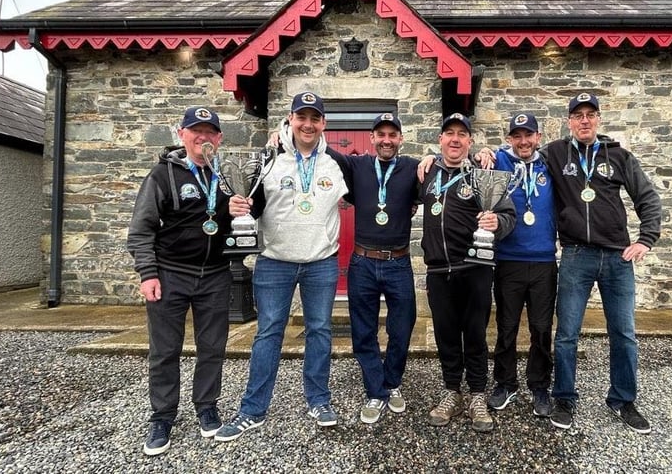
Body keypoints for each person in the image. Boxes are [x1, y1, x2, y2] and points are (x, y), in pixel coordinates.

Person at [214, 91, 348, 441]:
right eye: (301, 117)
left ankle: (319, 401)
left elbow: (368, 185)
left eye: (314, 118)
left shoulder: (336, 162)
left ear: (324, 124)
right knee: (268, 334)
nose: (308, 124)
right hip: (275, 262)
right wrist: (239, 209)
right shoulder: (267, 158)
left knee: (319, 331)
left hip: (321, 263)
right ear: (290, 119)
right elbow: (251, 205)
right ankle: (252, 410)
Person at [127, 106, 250, 456]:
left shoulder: (225, 177)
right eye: (196, 131)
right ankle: (163, 416)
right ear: (181, 134)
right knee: (165, 350)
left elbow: (219, 224)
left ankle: (206, 407)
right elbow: (141, 230)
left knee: (212, 347)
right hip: (170, 274)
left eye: (210, 132)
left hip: (214, 275)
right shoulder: (163, 175)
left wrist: (233, 213)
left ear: (219, 139)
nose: (204, 137)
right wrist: (148, 274)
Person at [541, 92, 661, 434]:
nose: (583, 120)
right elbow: (519, 155)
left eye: (589, 114)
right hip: (576, 256)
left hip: (616, 258)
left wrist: (645, 240)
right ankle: (564, 398)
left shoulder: (619, 156)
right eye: (577, 115)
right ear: (569, 121)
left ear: (598, 119)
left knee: (623, 334)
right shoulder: (556, 153)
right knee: (566, 334)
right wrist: (490, 152)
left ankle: (623, 400)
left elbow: (648, 198)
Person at [420, 113, 516, 433]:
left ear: (470, 141)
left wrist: (497, 224)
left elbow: (507, 216)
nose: (456, 139)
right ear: (440, 140)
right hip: (438, 271)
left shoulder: (482, 174)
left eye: (462, 134)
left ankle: (476, 394)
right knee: (446, 336)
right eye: (449, 133)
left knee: (475, 336)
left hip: (475, 270)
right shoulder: (427, 173)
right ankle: (451, 392)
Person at [326, 112, 419, 424]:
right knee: (363, 331)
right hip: (362, 262)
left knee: (402, 328)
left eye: (393, 135)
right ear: (373, 138)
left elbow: (448, 167)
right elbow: (323, 151)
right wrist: (283, 137)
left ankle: (391, 383)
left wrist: (484, 153)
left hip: (399, 262)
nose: (387, 140)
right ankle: (375, 391)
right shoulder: (357, 166)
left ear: (400, 139)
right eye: (381, 135)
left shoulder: (413, 168)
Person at [479, 113, 558, 418]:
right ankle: (505, 382)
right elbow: (469, 161)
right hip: (509, 259)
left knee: (541, 329)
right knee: (506, 327)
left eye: (529, 135)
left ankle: (539, 385)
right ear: (509, 138)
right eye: (517, 136)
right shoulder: (498, 160)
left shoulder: (550, 163)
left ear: (538, 137)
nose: (523, 141)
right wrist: (483, 151)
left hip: (543, 261)